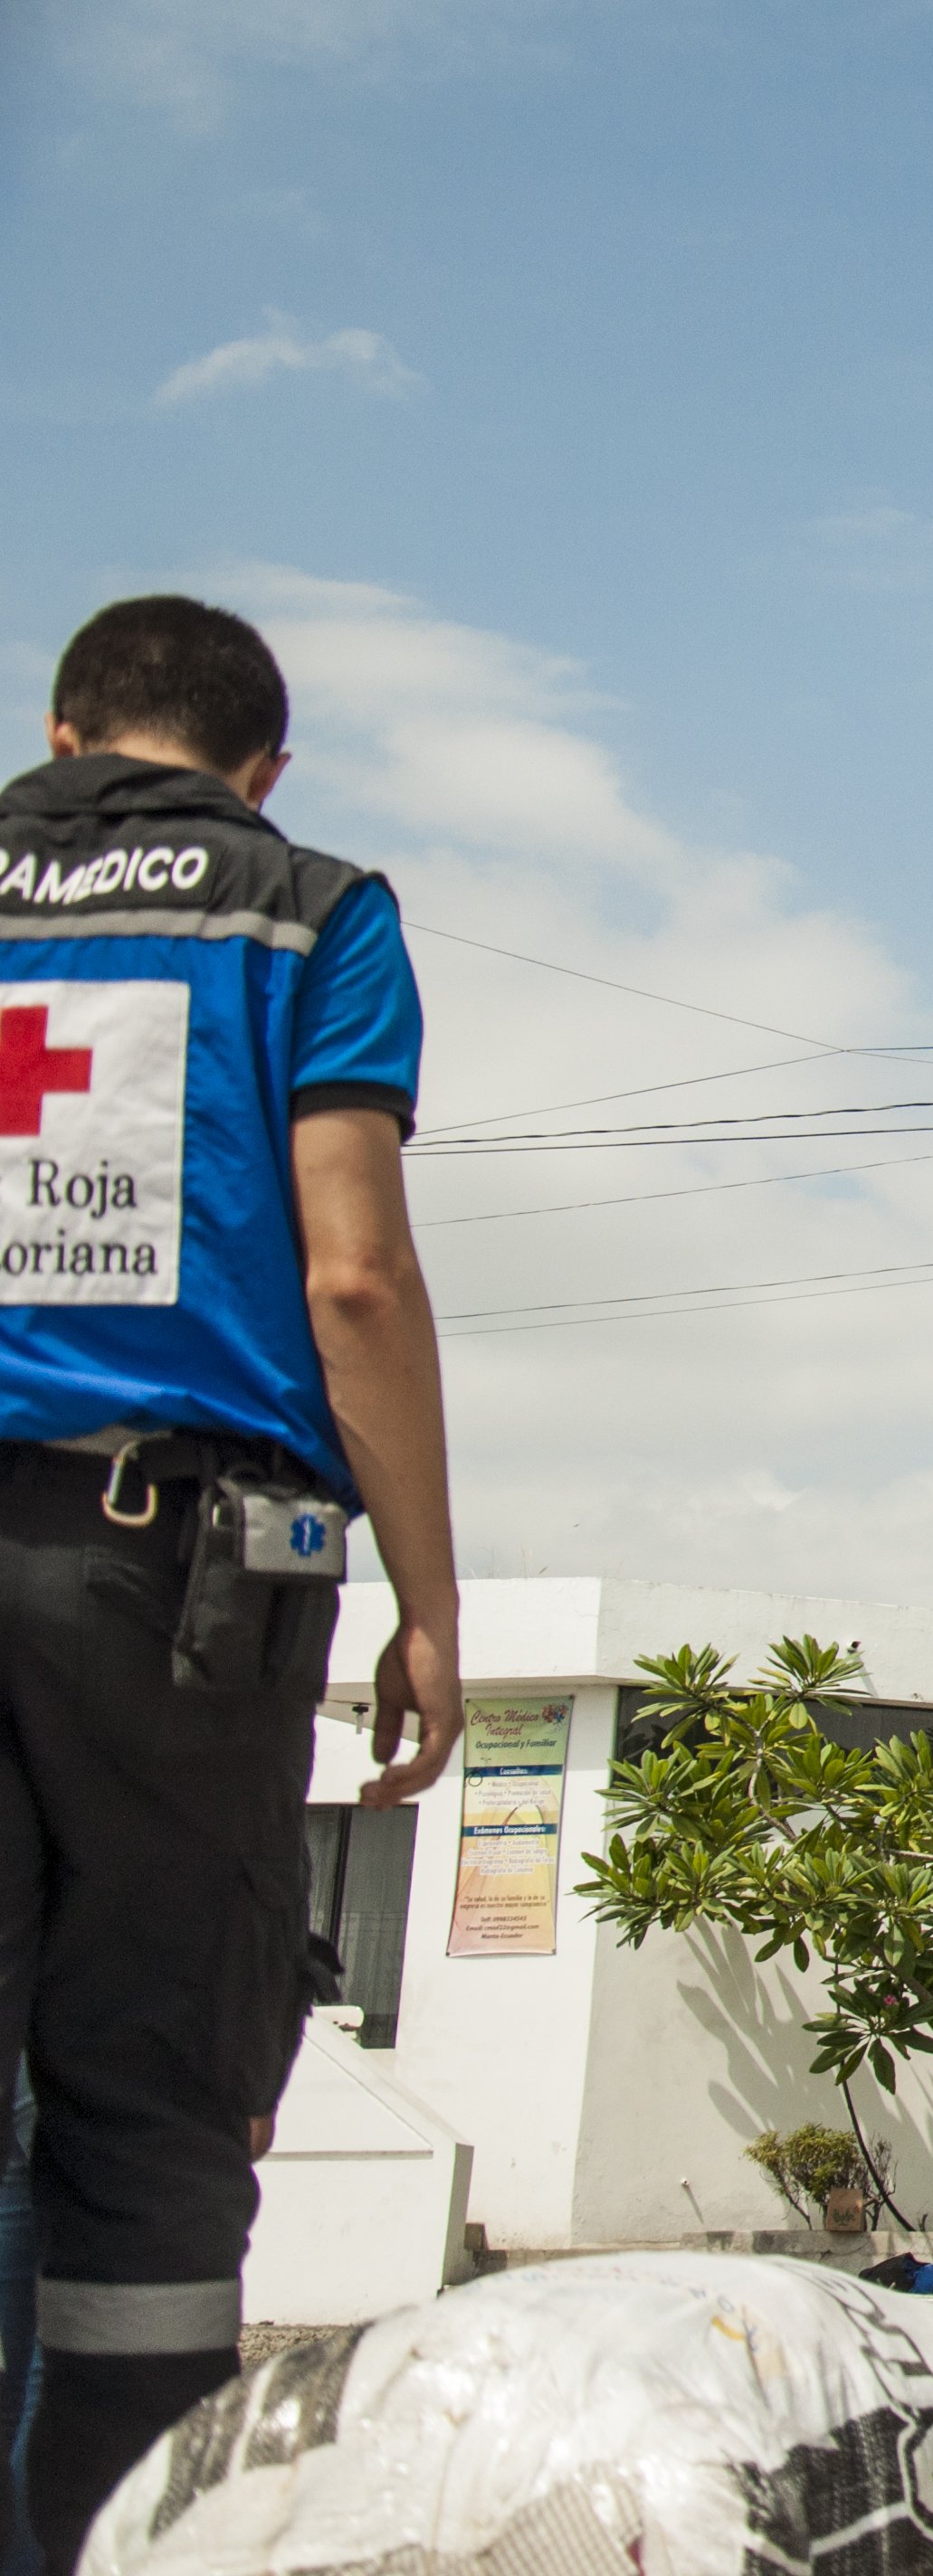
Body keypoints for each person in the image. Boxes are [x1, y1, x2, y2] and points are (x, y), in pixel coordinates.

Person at [0, 596, 462, 2557]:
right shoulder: (308, 906)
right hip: (168, 1586)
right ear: (264, 766)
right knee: (156, 2091)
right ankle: (118, 2531)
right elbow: (350, 1269)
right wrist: (430, 1595)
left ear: (61, 724)